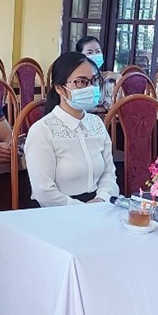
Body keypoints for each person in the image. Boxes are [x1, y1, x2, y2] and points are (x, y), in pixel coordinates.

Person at [25, 51, 119, 206]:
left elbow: (109, 175)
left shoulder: (97, 124)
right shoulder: (42, 131)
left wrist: (101, 199)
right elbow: (44, 191)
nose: (91, 87)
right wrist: (82, 209)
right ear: (60, 88)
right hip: (60, 211)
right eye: (81, 82)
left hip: (100, 206)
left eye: (94, 80)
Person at [75, 35, 115, 111]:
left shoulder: (107, 79)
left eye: (98, 51)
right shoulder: (73, 79)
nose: (95, 55)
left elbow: (112, 108)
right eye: (89, 52)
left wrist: (119, 77)